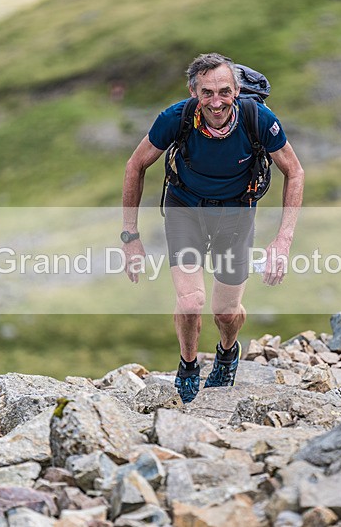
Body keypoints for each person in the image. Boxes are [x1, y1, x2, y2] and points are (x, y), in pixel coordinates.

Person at [121, 53, 304, 403]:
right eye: (207, 93)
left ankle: (226, 353)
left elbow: (294, 172)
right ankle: (188, 366)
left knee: (225, 311)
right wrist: (130, 236)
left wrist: (283, 240)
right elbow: (135, 165)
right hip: (185, 210)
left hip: (236, 215)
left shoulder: (258, 118)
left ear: (236, 90)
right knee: (191, 302)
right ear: (194, 92)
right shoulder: (175, 119)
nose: (216, 101)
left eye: (223, 91)